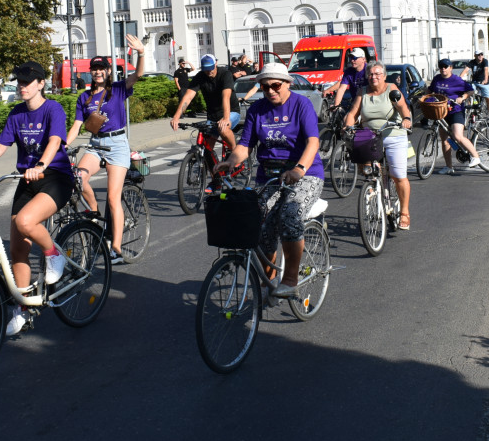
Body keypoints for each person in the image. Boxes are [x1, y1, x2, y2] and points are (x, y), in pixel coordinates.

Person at [0, 61, 75, 335]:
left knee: (25, 222)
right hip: (27, 180)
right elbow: (1, 144)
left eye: (27, 82)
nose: (21, 86)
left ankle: (53, 253)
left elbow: (55, 141)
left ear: (40, 84)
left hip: (55, 177)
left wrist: (43, 165)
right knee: (17, 250)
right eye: (19, 82)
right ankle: (22, 309)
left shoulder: (52, 109)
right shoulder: (17, 114)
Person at [214, 62, 323, 298]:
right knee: (258, 218)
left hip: (305, 174)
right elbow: (245, 145)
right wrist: (231, 160)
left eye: (276, 85)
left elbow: (313, 142)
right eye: (265, 87)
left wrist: (299, 169)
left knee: (289, 215)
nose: (271, 90)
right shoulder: (257, 110)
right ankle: (268, 280)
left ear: (287, 84)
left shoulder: (301, 104)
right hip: (270, 176)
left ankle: (291, 278)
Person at [66, 34, 147, 264]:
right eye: (95, 69)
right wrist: (61, 145)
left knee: (113, 198)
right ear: (90, 72)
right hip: (96, 145)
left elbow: (139, 75)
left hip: (117, 145)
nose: (98, 72)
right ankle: (93, 214)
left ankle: (116, 250)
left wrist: (141, 53)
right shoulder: (84, 97)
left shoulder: (119, 89)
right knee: (79, 179)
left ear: (108, 71)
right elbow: (76, 127)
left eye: (102, 68)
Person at [343, 61, 413, 229]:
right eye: (371, 74)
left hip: (393, 133)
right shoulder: (362, 92)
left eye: (377, 74)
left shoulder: (392, 90)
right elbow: (353, 113)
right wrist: (348, 126)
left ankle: (404, 212)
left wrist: (406, 119)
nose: (373, 77)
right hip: (370, 136)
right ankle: (372, 188)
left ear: (384, 76)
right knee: (366, 168)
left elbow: (404, 108)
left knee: (397, 174)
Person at [170, 53, 241, 167]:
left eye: (211, 68)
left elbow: (226, 96)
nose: (209, 72)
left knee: (223, 129)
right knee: (207, 148)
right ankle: (216, 178)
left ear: (216, 64)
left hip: (231, 111)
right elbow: (188, 97)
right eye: (206, 70)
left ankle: (235, 153)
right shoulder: (200, 77)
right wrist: (176, 117)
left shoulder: (225, 74)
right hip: (213, 115)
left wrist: (226, 118)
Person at [429, 59, 481, 175]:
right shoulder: (437, 79)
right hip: (442, 112)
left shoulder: (457, 80)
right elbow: (430, 90)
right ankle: (449, 167)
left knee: (457, 136)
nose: (443, 69)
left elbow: (471, 91)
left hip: (456, 111)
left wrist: (462, 97)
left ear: (450, 68)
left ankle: (475, 156)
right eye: (441, 66)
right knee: (444, 140)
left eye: (445, 66)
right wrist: (421, 96)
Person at [460, 51, 489, 117]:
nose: (480, 56)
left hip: (484, 83)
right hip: (475, 82)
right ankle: (471, 108)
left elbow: (486, 70)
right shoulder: (472, 62)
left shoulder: (485, 61)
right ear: (475, 56)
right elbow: (465, 70)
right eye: (478, 55)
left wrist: (485, 80)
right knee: (468, 93)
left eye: (481, 54)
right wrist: (459, 79)